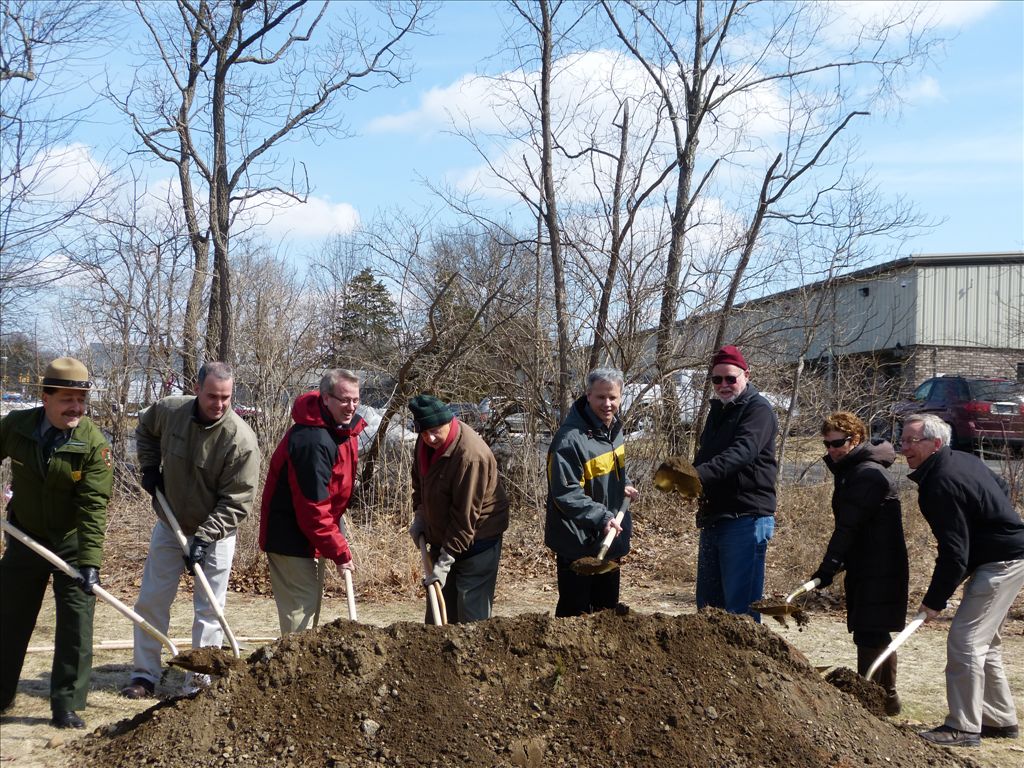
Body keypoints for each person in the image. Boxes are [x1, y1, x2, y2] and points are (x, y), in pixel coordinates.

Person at [120, 362, 260, 699]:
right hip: (170, 524)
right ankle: (144, 675)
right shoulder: (171, 410)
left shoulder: (241, 441)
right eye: (212, 396)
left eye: (226, 397)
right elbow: (145, 429)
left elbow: (238, 501)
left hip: (217, 533)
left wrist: (206, 536)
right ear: (197, 390)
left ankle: (198, 682)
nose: (220, 404)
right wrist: (150, 466)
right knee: (152, 599)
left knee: (210, 609)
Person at [1, 357, 113, 729]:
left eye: (81, 400)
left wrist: (90, 563)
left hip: (71, 543)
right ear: (45, 398)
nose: (76, 408)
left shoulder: (92, 443)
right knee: (9, 618)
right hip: (25, 537)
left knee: (76, 624)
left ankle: (66, 704)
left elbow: (94, 506)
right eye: (67, 398)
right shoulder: (17, 427)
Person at [902, 413, 1024, 747]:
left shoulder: (938, 483)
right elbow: (999, 488)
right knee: (987, 643)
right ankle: (998, 719)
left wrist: (934, 601)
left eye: (912, 441)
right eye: (903, 440)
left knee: (965, 641)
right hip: (1007, 555)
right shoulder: (961, 460)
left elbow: (954, 554)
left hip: (1001, 562)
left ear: (935, 443)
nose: (904, 448)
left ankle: (964, 727)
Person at [808, 411, 908, 715]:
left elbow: (848, 526)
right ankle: (885, 699)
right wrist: (839, 562)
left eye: (837, 443)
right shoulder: (852, 470)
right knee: (871, 631)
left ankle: (873, 701)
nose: (831, 450)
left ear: (856, 439)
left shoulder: (866, 474)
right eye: (827, 445)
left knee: (870, 630)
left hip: (881, 565)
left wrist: (829, 567)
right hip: (866, 561)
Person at [259, 370, 366, 635]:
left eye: (355, 400)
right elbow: (313, 509)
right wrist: (340, 551)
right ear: (326, 398)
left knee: (310, 610)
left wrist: (335, 534)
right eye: (344, 400)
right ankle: (290, 675)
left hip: (312, 536)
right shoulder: (312, 441)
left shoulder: (342, 431)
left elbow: (331, 496)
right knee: (301, 614)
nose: (351, 407)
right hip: (290, 536)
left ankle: (301, 671)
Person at [545, 368, 639, 617]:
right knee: (575, 613)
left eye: (613, 398)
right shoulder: (569, 439)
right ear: (588, 395)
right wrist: (601, 517)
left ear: (620, 397)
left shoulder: (614, 431)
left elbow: (613, 471)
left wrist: (624, 484)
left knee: (605, 610)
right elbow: (565, 493)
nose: (607, 404)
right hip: (577, 540)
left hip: (608, 538)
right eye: (600, 397)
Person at [692, 345, 778, 620]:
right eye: (717, 380)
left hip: (746, 518)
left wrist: (698, 476)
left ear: (746, 375)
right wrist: (686, 479)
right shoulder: (718, 410)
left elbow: (742, 453)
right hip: (715, 517)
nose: (724, 385)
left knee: (740, 613)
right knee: (709, 610)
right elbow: (707, 455)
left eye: (731, 378)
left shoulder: (758, 410)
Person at [408, 394, 509, 623]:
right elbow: (419, 482)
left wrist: (444, 564)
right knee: (437, 616)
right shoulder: (424, 442)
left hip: (478, 539)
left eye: (435, 430)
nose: (430, 438)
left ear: (448, 421)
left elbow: (465, 518)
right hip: (443, 537)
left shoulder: (470, 456)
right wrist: (421, 514)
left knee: (471, 619)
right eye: (424, 433)